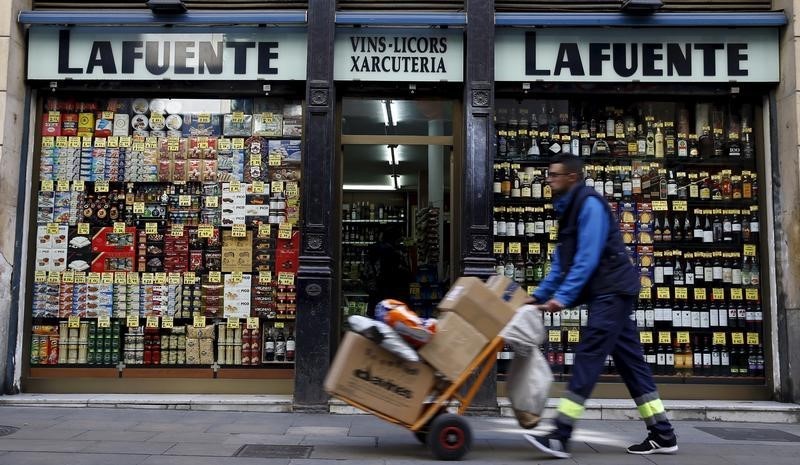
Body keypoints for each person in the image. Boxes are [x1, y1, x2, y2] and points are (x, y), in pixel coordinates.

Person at [524, 154, 678, 459]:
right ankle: (662, 433)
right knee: (631, 363)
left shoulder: (590, 205)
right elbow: (561, 263)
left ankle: (561, 433)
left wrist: (563, 298)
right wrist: (540, 295)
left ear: (572, 177)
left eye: (554, 175)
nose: (549, 180)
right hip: (607, 292)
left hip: (612, 291)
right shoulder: (567, 209)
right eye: (548, 175)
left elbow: (588, 257)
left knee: (589, 354)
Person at [365, 226, 412, 316]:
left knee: (375, 316)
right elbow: (402, 273)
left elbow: (367, 270)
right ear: (395, 239)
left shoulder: (372, 249)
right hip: (390, 293)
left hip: (375, 291)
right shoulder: (395, 253)